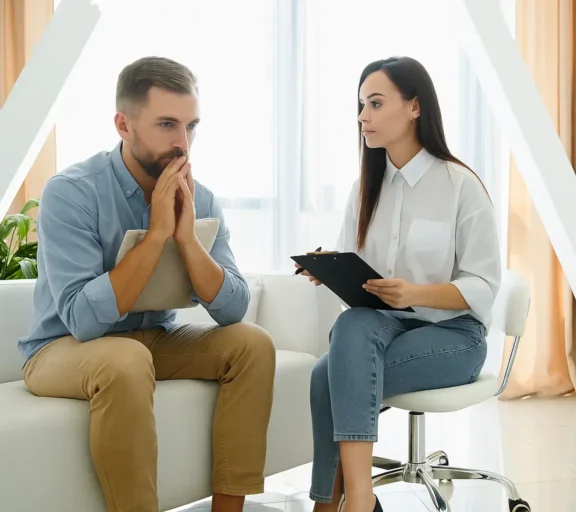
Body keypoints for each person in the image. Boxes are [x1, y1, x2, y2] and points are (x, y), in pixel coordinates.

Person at [17, 56, 276, 512]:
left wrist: (187, 238)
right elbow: (81, 319)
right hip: (61, 348)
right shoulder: (72, 192)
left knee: (251, 344)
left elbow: (232, 309)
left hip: (152, 338)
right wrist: (156, 236)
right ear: (123, 124)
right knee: (125, 358)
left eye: (191, 126)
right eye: (167, 125)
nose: (183, 144)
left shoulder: (202, 197)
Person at [299, 56, 501, 512]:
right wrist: (326, 268)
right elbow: (353, 265)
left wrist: (413, 294)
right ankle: (356, 501)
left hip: (456, 337)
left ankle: (339, 505)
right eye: (360, 106)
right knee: (351, 326)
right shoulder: (365, 187)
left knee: (326, 376)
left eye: (374, 103)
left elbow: (484, 286)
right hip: (381, 329)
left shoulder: (460, 185)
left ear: (414, 107)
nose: (362, 117)